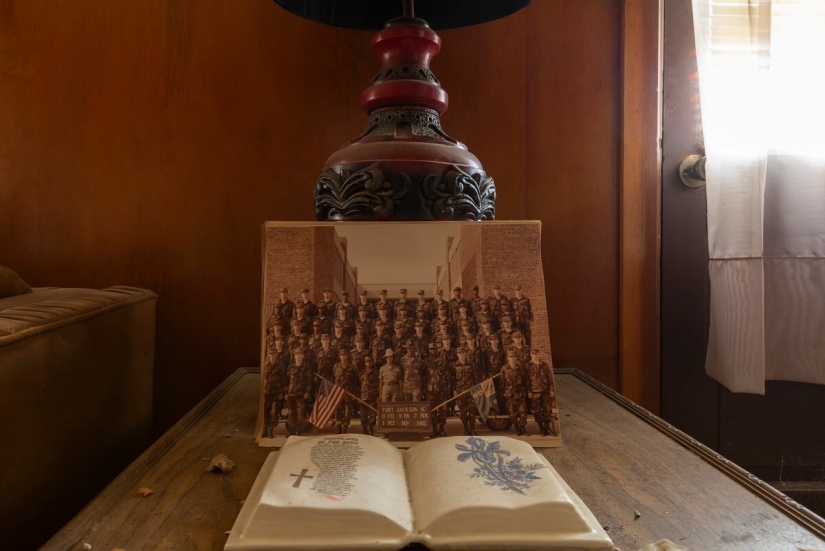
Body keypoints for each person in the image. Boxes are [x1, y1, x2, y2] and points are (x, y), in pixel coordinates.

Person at [527, 348, 556, 437]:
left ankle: (547, 428)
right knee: (537, 411)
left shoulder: (544, 365)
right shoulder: (528, 366)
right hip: (535, 392)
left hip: (545, 391)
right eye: (533, 354)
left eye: (536, 354)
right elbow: (527, 380)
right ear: (531, 355)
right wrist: (529, 391)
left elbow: (550, 378)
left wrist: (551, 389)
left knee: (547, 410)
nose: (535, 356)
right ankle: (542, 429)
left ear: (539, 354)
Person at [285, 347, 313, 435]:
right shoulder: (290, 367)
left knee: (300, 414)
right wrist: (285, 393)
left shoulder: (306, 367)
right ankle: (292, 431)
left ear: (303, 356)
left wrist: (307, 392)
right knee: (291, 414)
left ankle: (298, 431)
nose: (298, 356)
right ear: (294, 356)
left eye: (300, 354)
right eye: (297, 354)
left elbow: (309, 381)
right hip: (291, 394)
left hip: (301, 394)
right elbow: (286, 381)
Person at [500, 348, 528, 436]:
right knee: (513, 412)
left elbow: (524, 380)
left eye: (514, 357)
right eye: (510, 357)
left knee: (522, 411)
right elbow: (502, 382)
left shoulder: (520, 368)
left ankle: (523, 428)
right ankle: (517, 428)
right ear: (508, 358)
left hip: (520, 392)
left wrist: (526, 391)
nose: (512, 359)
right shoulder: (504, 368)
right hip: (510, 394)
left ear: (516, 358)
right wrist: (503, 393)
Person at [263, 338, 288, 437]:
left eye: (274, 354)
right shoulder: (265, 365)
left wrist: (282, 392)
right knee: (265, 411)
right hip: (266, 392)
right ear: (268, 355)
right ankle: (264, 429)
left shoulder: (281, 365)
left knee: (274, 412)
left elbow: (283, 379)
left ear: (277, 355)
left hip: (276, 393)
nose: (272, 356)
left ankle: (271, 430)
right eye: (270, 354)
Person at [424, 342, 450, 437]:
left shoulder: (443, 361)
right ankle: (434, 430)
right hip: (430, 390)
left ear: (437, 350)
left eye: (434, 349)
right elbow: (423, 376)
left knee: (443, 410)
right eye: (431, 349)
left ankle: (442, 430)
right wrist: (424, 389)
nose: (433, 351)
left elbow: (447, 375)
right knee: (432, 411)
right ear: (429, 350)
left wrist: (448, 388)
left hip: (442, 389)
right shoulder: (425, 362)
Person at [453, 347, 479, 436]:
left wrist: (476, 389)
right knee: (463, 412)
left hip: (470, 391)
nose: (461, 355)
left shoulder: (471, 364)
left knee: (472, 411)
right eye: (459, 353)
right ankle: (466, 430)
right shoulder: (454, 365)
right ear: (457, 354)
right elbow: (452, 379)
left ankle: (472, 429)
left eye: (463, 353)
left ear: (465, 354)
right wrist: (454, 390)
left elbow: (475, 377)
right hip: (460, 392)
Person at [333, 348, 357, 433]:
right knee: (338, 410)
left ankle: (345, 427)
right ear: (339, 356)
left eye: (345, 355)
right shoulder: (336, 367)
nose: (343, 357)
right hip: (338, 392)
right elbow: (333, 380)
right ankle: (339, 427)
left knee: (348, 410)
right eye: (341, 355)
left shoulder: (352, 368)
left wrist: (354, 393)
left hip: (348, 392)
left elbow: (355, 382)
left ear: (347, 356)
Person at [359, 356, 379, 435]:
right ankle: (364, 428)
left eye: (370, 361)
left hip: (372, 396)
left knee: (372, 414)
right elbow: (357, 384)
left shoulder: (375, 373)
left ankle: (370, 428)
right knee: (363, 413)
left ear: (372, 362)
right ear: (365, 363)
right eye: (367, 362)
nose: (368, 363)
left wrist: (378, 395)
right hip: (363, 396)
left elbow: (378, 384)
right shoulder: (361, 372)